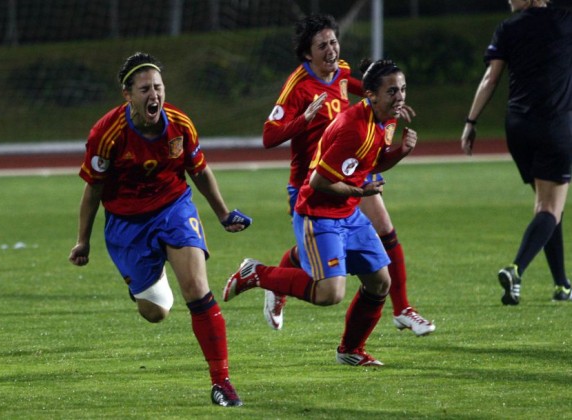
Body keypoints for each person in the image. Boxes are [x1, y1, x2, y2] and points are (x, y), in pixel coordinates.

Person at [68, 52, 252, 407]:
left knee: (197, 289)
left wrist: (223, 214)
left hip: (173, 208)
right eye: (144, 89)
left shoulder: (180, 124)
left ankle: (222, 383)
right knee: (155, 312)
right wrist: (82, 241)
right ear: (128, 95)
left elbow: (199, 171)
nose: (154, 95)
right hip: (127, 224)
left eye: (158, 87)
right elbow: (93, 190)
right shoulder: (107, 133)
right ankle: (144, 284)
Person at [224, 59, 417, 366]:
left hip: (349, 214)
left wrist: (401, 152)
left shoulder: (384, 121)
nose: (400, 97)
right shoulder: (353, 127)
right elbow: (319, 182)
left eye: (403, 89)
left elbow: (370, 164)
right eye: (392, 91)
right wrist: (359, 192)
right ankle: (257, 274)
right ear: (371, 95)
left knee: (380, 282)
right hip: (319, 214)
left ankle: (350, 350)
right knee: (329, 294)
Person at [262, 13, 434, 335]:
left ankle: (403, 309)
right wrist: (305, 119)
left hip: (351, 169)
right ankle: (276, 283)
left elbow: (362, 87)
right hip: (311, 180)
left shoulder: (340, 72)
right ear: (307, 54)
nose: (331, 50)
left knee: (385, 228)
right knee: (311, 256)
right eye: (321, 45)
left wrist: (390, 96)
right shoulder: (297, 87)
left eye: (333, 42)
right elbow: (269, 136)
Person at [460, 0, 572, 304]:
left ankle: (562, 284)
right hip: (555, 126)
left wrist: (471, 121)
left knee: (546, 204)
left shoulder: (508, 28)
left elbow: (491, 78)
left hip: (518, 127)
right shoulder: (564, 19)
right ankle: (515, 268)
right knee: (550, 208)